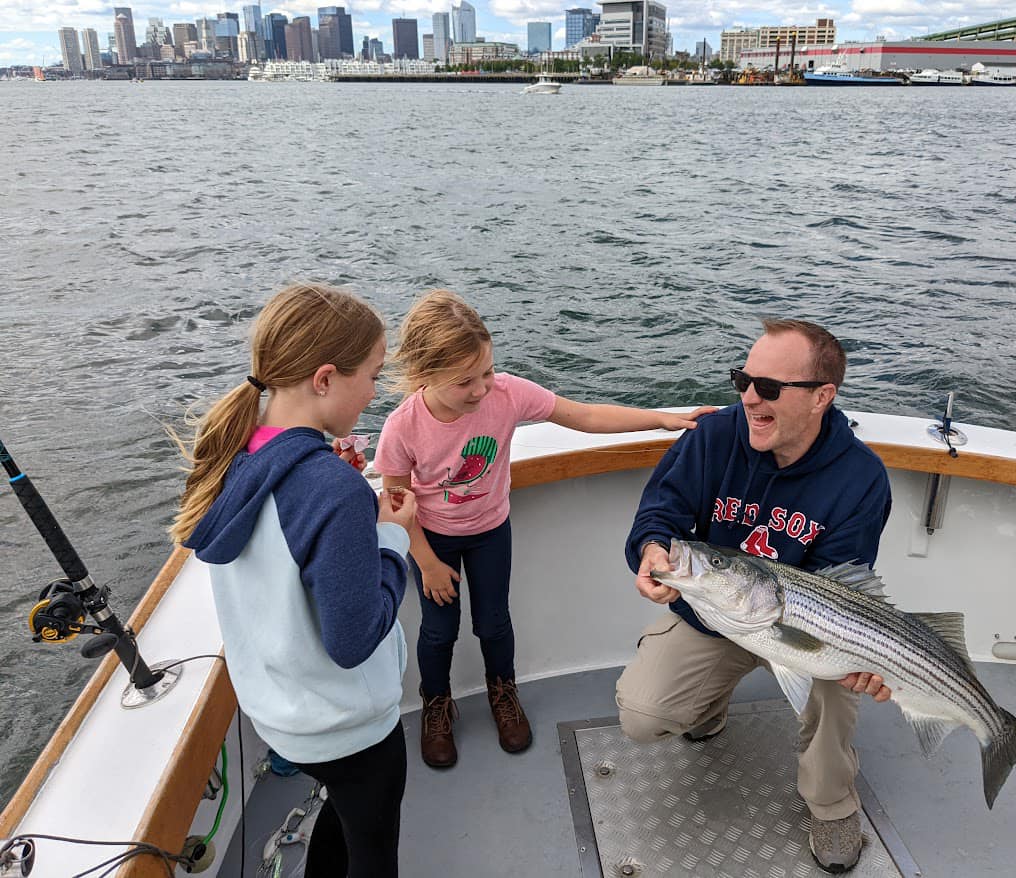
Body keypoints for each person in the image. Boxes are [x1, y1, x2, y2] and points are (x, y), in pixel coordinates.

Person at [373, 289, 716, 769]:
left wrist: (660, 419)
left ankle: (502, 691)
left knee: (494, 622)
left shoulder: (506, 394)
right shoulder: (403, 426)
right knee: (437, 632)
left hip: (491, 529)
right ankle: (436, 705)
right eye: (464, 381)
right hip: (432, 540)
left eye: (487, 372)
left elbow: (583, 415)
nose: (481, 389)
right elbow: (395, 504)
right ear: (425, 375)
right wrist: (427, 562)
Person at [617, 318, 893, 875]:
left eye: (767, 388)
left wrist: (863, 659)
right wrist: (651, 547)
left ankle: (832, 804)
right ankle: (708, 705)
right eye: (743, 379)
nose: (748, 398)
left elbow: (842, 585)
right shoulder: (714, 436)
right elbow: (663, 508)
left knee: (840, 681)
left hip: (805, 628)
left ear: (822, 397)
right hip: (717, 613)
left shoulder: (862, 478)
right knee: (643, 716)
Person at [172, 283, 417, 878]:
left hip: (283, 716)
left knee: (346, 812)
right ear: (326, 378)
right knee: (373, 847)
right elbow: (353, 638)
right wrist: (392, 538)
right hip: (351, 728)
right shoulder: (332, 490)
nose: (376, 391)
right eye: (374, 374)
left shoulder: (236, 460)